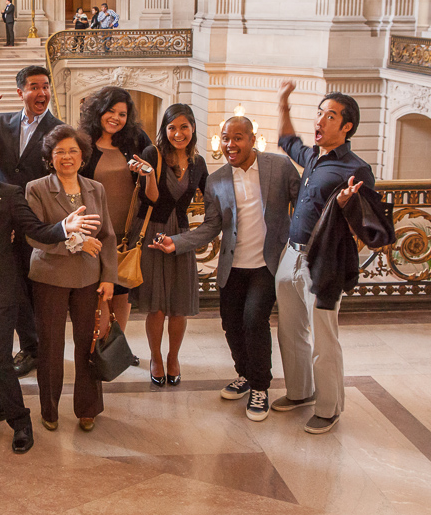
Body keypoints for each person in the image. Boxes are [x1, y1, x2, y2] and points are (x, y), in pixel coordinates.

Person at [0, 131, 102, 453]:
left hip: (2, 292)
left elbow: (35, 230)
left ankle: (21, 422)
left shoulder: (9, 193)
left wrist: (64, 229)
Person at [150, 117, 300, 421]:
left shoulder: (279, 168)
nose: (231, 145)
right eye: (225, 138)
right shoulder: (217, 180)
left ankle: (260, 386)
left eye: (238, 138)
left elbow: (302, 204)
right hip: (232, 266)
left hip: (267, 264)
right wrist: (176, 242)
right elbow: (212, 225)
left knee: (253, 320)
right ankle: (244, 374)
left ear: (252, 139)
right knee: (231, 325)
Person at [273, 81, 375, 434]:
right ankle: (300, 392)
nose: (319, 120)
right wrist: (283, 104)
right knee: (291, 329)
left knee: (323, 336)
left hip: (325, 262)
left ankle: (329, 408)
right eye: (318, 113)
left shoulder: (356, 169)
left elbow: (369, 224)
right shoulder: (313, 157)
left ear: (347, 127)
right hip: (292, 254)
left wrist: (349, 206)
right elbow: (288, 142)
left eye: (329, 116)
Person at [0, 66, 63, 376]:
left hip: (36, 218)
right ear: (20, 92)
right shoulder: (4, 122)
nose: (42, 93)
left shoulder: (57, 128)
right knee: (5, 283)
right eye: (34, 87)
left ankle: (33, 347)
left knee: (29, 285)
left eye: (46, 87)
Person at [26, 125, 118, 432]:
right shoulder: (37, 188)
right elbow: (35, 236)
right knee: (50, 347)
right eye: (60, 151)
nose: (67, 157)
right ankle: (49, 409)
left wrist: (108, 277)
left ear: (83, 156)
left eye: (73, 151)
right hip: (49, 277)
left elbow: (106, 235)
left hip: (89, 278)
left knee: (87, 345)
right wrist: (76, 242)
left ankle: (87, 408)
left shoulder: (96, 188)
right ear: (50, 158)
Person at [129, 104, 209, 387]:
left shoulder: (198, 163)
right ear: (164, 130)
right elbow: (150, 199)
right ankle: (155, 357)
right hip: (153, 231)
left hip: (181, 235)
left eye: (184, 127)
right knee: (157, 305)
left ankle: (173, 356)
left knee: (178, 304)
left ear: (193, 128)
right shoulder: (153, 154)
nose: (178, 133)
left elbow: (210, 196)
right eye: (172, 127)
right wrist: (150, 174)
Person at [79, 86, 153, 361]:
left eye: (122, 113)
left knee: (122, 293)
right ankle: (100, 347)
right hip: (95, 234)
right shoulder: (83, 143)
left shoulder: (134, 140)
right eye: (110, 110)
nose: (116, 118)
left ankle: (116, 348)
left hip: (127, 233)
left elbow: (152, 167)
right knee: (100, 293)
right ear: (98, 110)